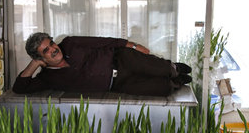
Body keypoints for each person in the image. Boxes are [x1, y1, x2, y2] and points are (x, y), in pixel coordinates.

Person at [12, 32, 192, 97]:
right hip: (117, 85)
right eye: (46, 51)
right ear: (40, 59)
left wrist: (133, 46)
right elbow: (19, 88)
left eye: (51, 43)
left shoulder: (70, 43)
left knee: (159, 68)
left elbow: (101, 42)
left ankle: (173, 69)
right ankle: (176, 82)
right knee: (161, 89)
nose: (53, 49)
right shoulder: (47, 78)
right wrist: (34, 65)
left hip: (122, 60)